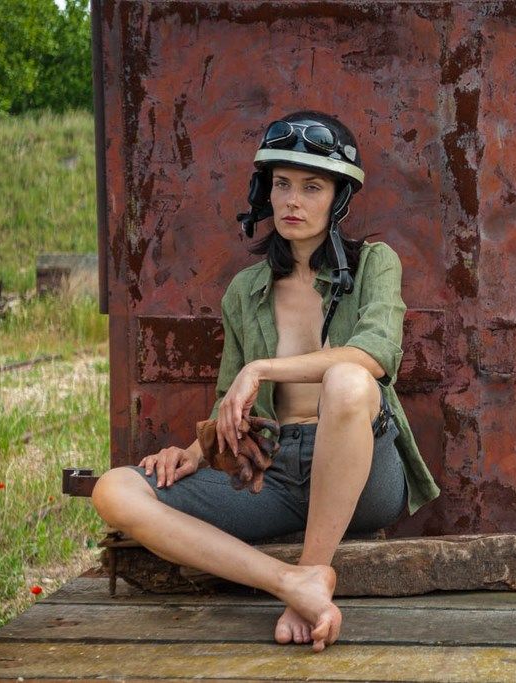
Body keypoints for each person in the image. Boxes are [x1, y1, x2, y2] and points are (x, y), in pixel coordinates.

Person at [91, 111, 440, 652]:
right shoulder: (245, 291)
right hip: (272, 474)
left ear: (339, 198)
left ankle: (315, 562)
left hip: (363, 472)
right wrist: (190, 451)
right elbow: (232, 406)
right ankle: (294, 584)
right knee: (114, 490)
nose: (292, 201)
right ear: (264, 191)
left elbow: (375, 354)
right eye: (281, 184)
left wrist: (262, 368)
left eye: (312, 186)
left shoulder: (376, 264)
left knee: (347, 381)